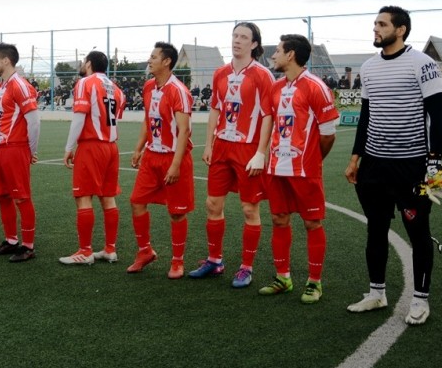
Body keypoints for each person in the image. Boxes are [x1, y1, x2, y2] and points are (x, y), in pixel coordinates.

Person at [344, 6, 442, 325]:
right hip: (374, 165)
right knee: (375, 230)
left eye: (382, 24)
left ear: (400, 30)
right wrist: (355, 158)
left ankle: (420, 300)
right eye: (375, 23)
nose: (375, 29)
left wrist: (434, 162)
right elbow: (365, 117)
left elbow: (437, 116)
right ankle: (376, 294)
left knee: (417, 231)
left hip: (412, 166)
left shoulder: (423, 64)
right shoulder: (369, 67)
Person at [188, 22, 275, 288]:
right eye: (235, 36)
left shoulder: (262, 75)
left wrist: (261, 152)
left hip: (248, 149)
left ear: (254, 44)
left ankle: (246, 267)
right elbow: (215, 108)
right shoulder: (220, 73)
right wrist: (208, 144)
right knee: (212, 205)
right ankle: (215, 261)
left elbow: (268, 116)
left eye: (243, 37)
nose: (237, 41)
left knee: (250, 208)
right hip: (222, 146)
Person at [255, 35, 339, 304]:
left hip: (304, 170)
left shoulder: (315, 87)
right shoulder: (276, 87)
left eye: (277, 51)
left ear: (290, 55)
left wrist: (313, 159)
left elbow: (328, 134)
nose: (273, 56)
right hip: (276, 168)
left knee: (311, 222)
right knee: (279, 219)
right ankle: (283, 277)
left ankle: (314, 282)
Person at [127, 42, 194, 279]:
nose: (149, 60)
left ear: (166, 62)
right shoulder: (148, 87)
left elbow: (184, 131)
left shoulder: (179, 91)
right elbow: (148, 120)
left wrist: (175, 165)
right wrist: (138, 149)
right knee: (136, 201)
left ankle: (177, 261)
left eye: (153, 56)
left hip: (173, 158)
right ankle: (145, 251)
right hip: (151, 156)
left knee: (176, 212)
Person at [59, 50, 126, 265]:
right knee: (108, 197)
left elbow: (79, 117)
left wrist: (69, 147)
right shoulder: (117, 89)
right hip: (111, 147)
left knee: (83, 196)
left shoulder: (85, 83)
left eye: (83, 60)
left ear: (89, 63)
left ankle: (85, 251)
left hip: (91, 147)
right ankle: (110, 249)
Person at [0, 43, 41, 263]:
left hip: (14, 148)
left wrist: (31, 149)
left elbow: (34, 120)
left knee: (22, 197)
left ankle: (28, 246)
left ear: (6, 60)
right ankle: (10, 240)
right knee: (2, 196)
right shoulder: (0, 87)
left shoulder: (20, 85)